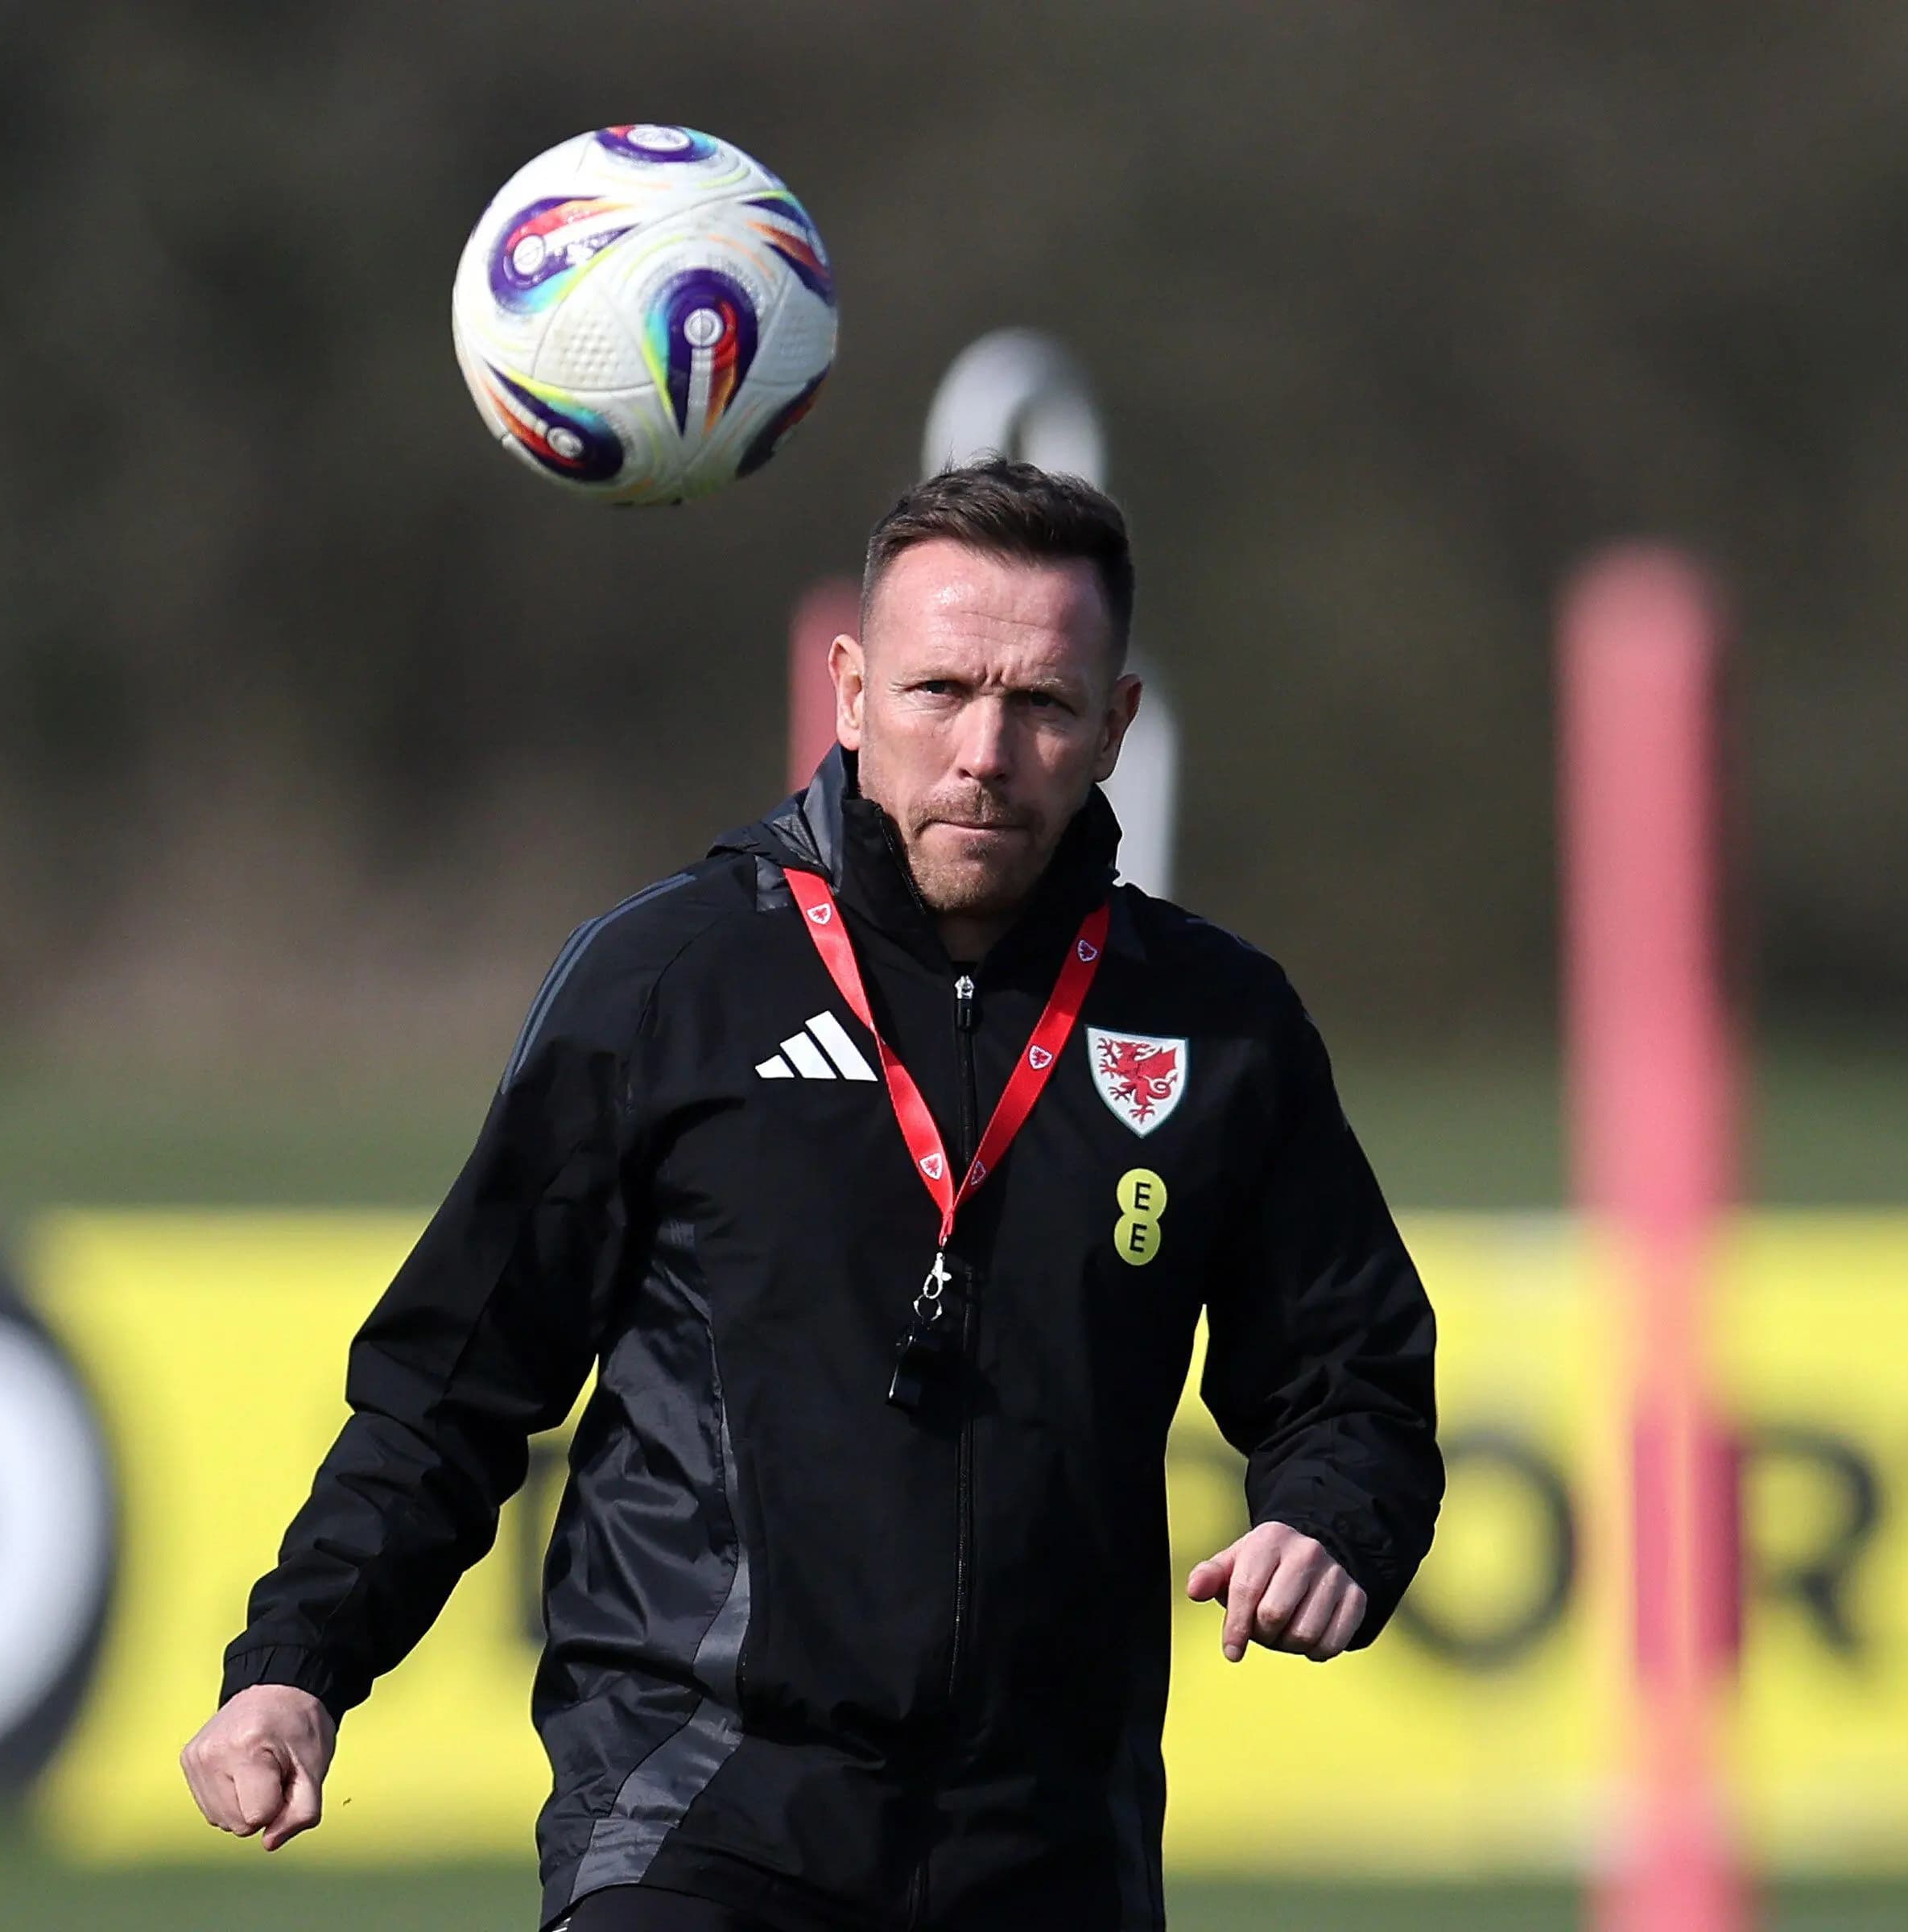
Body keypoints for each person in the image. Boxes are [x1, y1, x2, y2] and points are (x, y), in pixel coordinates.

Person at [182, 458, 1443, 1930]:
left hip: (1052, 1842)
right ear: (850, 692)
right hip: (699, 1804)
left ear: (1115, 727)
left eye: (1041, 704)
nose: (985, 750)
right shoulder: (670, 981)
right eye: (939, 691)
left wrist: (1334, 1519)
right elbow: (454, 1386)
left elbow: (1353, 1382)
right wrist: (297, 1666)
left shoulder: (1217, 1025)